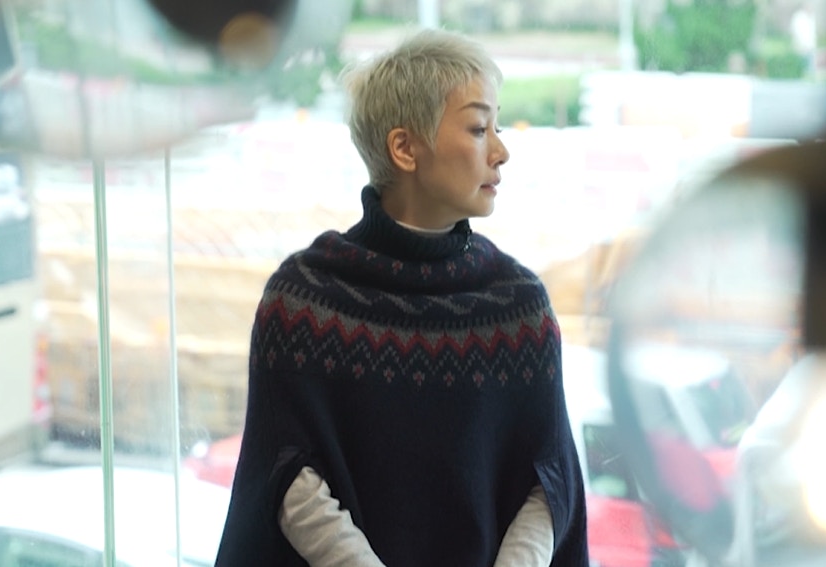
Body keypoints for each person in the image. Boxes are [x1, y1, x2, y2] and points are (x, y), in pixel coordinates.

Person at [214, 28, 589, 566]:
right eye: (479, 128)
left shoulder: (518, 306)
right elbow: (288, 476)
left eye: (497, 127)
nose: (502, 151)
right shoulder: (303, 302)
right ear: (404, 148)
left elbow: (548, 478)